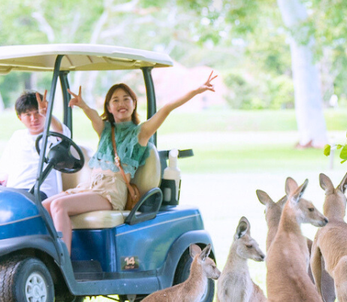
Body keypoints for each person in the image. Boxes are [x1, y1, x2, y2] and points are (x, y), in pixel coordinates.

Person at [43, 73, 217, 254]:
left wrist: (196, 91)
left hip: (110, 191)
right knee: (42, 206)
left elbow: (166, 108)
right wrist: (83, 105)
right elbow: (93, 116)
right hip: (89, 187)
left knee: (59, 205)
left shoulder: (141, 133)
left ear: (134, 104)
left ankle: (63, 261)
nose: (121, 104)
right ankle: (45, 255)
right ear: (109, 107)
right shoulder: (105, 130)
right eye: (115, 100)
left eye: (126, 99)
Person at [0, 91, 66, 200]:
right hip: (15, 189)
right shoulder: (17, 136)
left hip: (41, 190)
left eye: (38, 113)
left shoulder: (53, 136)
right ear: (20, 117)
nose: (34, 119)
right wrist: (1, 182)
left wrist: (47, 113)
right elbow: (5, 169)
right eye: (28, 114)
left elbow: (61, 132)